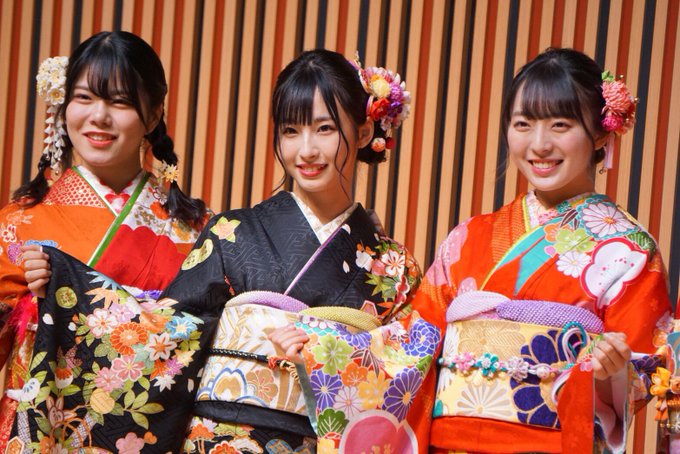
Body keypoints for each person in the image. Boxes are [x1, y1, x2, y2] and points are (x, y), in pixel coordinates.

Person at [12, 49, 439, 453]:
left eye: (324, 129)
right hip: (217, 440)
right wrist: (66, 283)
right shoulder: (232, 232)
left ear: (363, 131)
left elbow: (410, 370)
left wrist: (327, 349)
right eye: (290, 131)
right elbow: (162, 338)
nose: (306, 150)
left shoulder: (395, 267)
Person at [409, 47, 672, 453]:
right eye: (523, 124)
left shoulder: (629, 250)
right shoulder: (468, 237)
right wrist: (327, 347)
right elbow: (414, 345)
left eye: (560, 124)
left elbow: (642, 374)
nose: (539, 144)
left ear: (602, 132)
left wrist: (610, 372)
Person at [0, 31, 208, 450]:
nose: (98, 116)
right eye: (84, 98)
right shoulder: (18, 224)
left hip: (152, 437)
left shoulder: (198, 232)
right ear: (64, 107)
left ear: (153, 115)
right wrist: (30, 304)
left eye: (119, 102)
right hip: (43, 436)